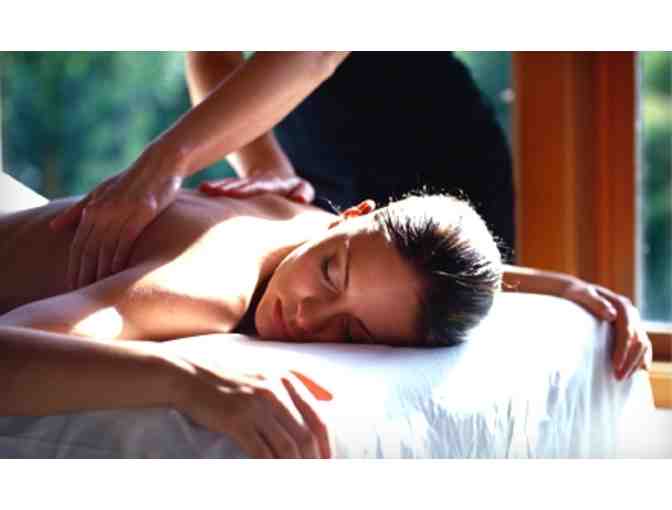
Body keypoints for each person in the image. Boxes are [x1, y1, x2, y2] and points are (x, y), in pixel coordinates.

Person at [0, 173, 651, 458]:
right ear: (351, 216)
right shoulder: (204, 286)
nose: (307, 318)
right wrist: (188, 381)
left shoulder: (310, 225)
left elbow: (395, 269)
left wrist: (556, 283)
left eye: (351, 331)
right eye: (330, 274)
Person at [49, 52, 515, 292]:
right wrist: (264, 165)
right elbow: (213, 51)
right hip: (303, 161)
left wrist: (161, 164)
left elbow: (319, 48)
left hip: (434, 150)